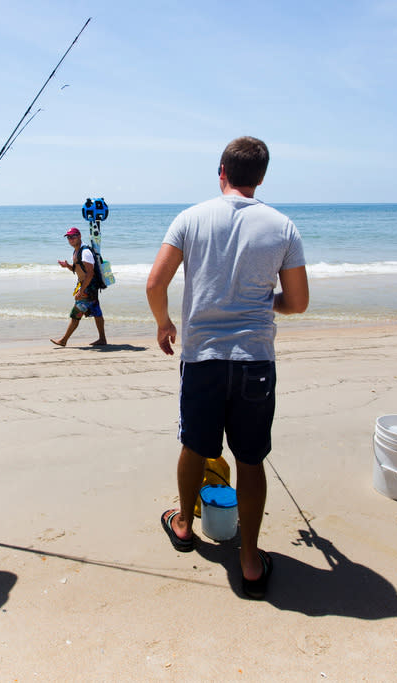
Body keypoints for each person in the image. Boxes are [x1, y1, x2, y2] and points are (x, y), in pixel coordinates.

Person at [146, 136, 309, 600]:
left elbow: (154, 284)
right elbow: (297, 303)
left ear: (221, 171)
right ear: (260, 177)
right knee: (251, 459)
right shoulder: (282, 227)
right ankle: (251, 560)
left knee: (194, 446)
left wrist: (164, 325)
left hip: (202, 359)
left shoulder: (190, 218)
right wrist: (262, 302)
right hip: (254, 360)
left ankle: (182, 525)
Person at [51, 227, 108, 347]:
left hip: (88, 287)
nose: (71, 239)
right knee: (96, 312)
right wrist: (68, 266)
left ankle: (64, 340)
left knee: (76, 313)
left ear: (79, 236)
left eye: (73, 236)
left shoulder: (85, 252)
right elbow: (78, 269)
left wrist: (81, 291)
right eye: (69, 237)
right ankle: (102, 339)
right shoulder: (76, 251)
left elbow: (90, 273)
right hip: (87, 286)